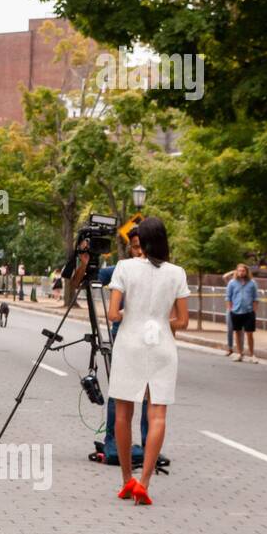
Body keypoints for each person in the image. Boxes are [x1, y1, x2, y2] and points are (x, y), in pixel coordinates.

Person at [106, 217, 190, 506]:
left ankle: (127, 478)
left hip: (130, 343)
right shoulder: (177, 273)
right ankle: (145, 483)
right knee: (157, 416)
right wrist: (160, 321)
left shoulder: (125, 268)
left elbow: (113, 313)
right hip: (163, 345)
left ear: (141, 240)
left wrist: (134, 315)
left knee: (122, 413)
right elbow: (184, 320)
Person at [97, 233, 150, 466]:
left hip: (150, 337)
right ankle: (113, 441)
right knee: (119, 391)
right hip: (124, 332)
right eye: (136, 247)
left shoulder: (161, 269)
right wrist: (86, 261)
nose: (139, 252)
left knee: (151, 392)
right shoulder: (121, 268)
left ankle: (149, 444)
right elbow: (91, 278)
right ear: (129, 248)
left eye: (143, 247)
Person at [224, 263, 259, 362]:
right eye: (239, 270)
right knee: (237, 332)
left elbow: (256, 297)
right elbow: (228, 297)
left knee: (249, 334)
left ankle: (252, 354)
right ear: (236, 271)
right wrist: (230, 309)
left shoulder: (252, 283)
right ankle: (239, 353)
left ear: (246, 272)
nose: (241, 272)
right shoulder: (232, 282)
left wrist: (254, 310)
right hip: (235, 311)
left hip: (248, 311)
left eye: (243, 271)